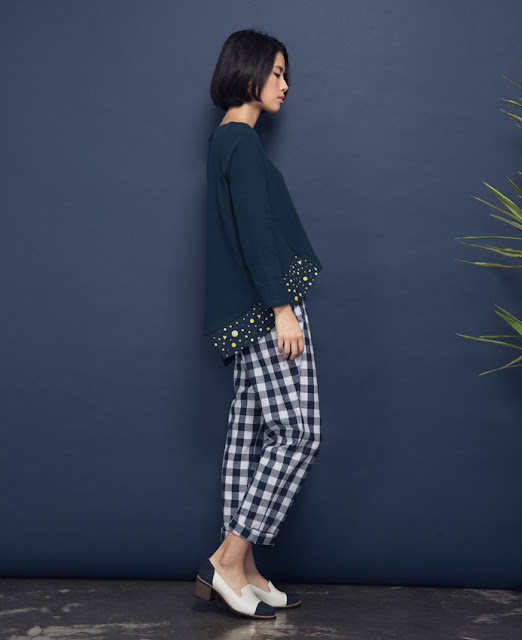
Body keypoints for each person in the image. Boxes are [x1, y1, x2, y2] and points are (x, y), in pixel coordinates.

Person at [195, 28, 324, 620]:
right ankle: (227, 558)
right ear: (247, 72)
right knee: (298, 435)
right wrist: (281, 308)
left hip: (244, 314)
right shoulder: (242, 144)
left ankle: (243, 572)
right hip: (265, 310)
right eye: (276, 72)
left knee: (249, 437)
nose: (285, 84)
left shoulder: (223, 140)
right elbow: (254, 232)